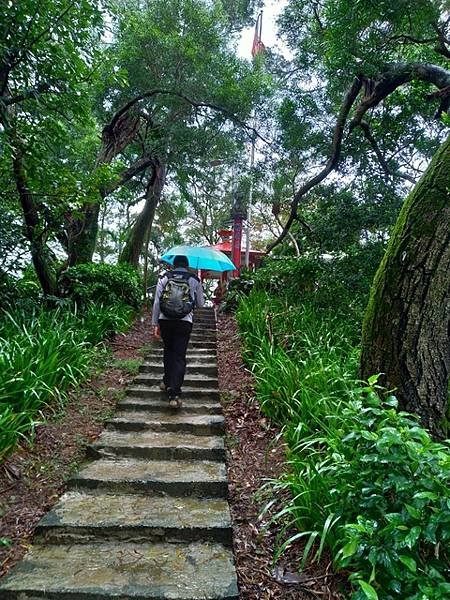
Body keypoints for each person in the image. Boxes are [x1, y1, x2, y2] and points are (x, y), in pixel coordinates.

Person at [151, 255, 204, 408]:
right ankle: (174, 393)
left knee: (168, 351)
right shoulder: (194, 279)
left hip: (165, 320)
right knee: (179, 356)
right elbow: (200, 304)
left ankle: (167, 381)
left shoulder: (164, 277)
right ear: (187, 265)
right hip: (184, 322)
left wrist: (155, 324)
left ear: (173, 265)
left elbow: (156, 302)